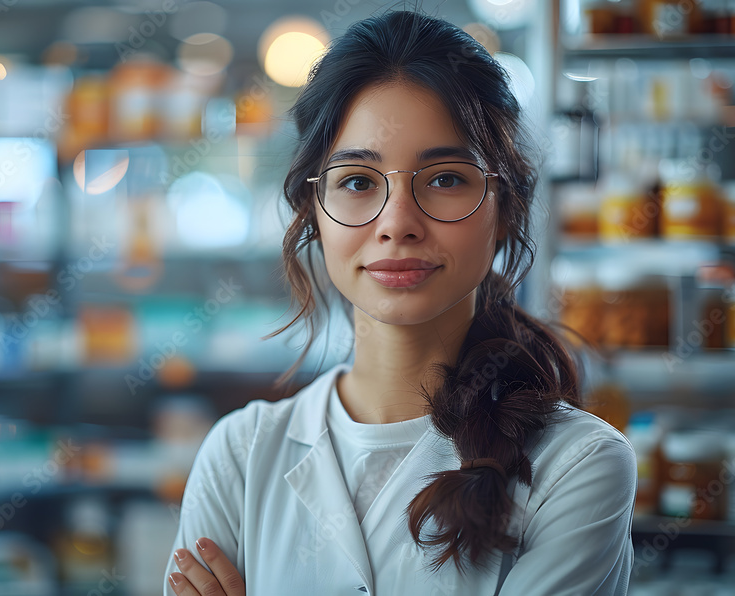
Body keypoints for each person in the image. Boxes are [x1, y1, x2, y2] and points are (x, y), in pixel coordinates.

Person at [163, 8, 637, 596]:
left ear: (504, 209)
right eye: (358, 182)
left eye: (444, 178)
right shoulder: (239, 454)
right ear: (313, 213)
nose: (397, 224)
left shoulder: (579, 465)